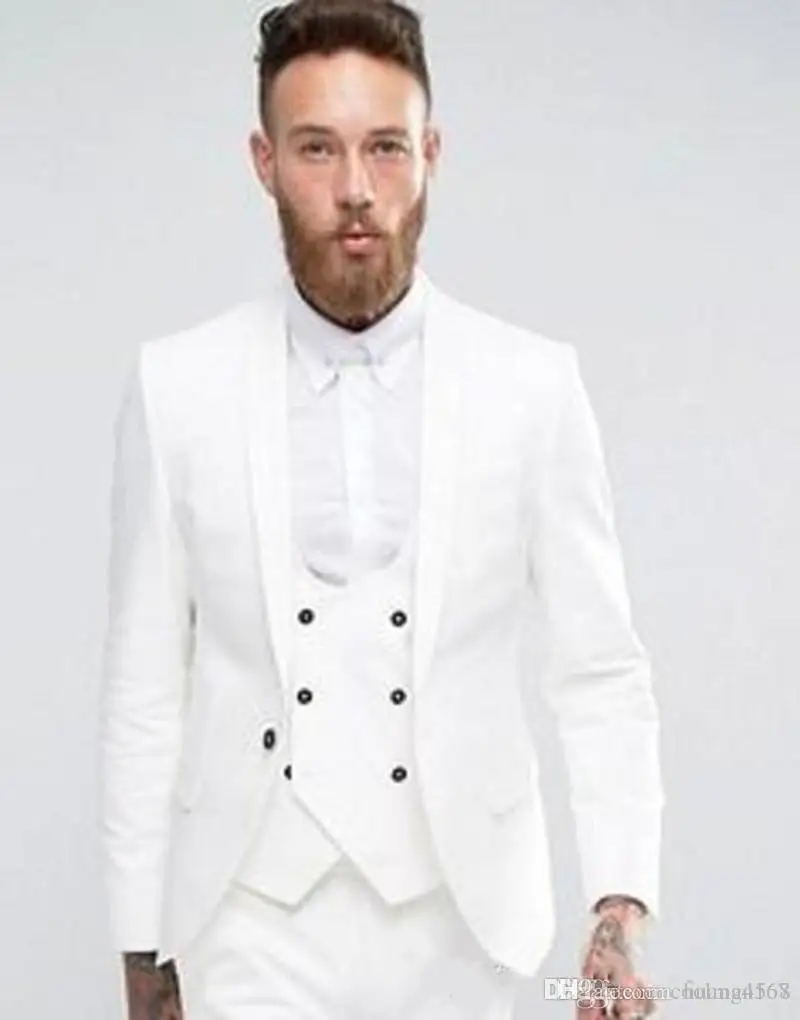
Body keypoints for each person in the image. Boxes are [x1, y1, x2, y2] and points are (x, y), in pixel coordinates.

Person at [100, 2, 664, 1018]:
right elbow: (145, 689)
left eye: (386, 147)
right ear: (265, 162)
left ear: (430, 154)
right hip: (246, 919)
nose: (356, 188)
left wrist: (616, 909)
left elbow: (598, 668)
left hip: (470, 918)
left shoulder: (532, 386)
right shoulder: (176, 387)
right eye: (317, 148)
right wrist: (143, 952)